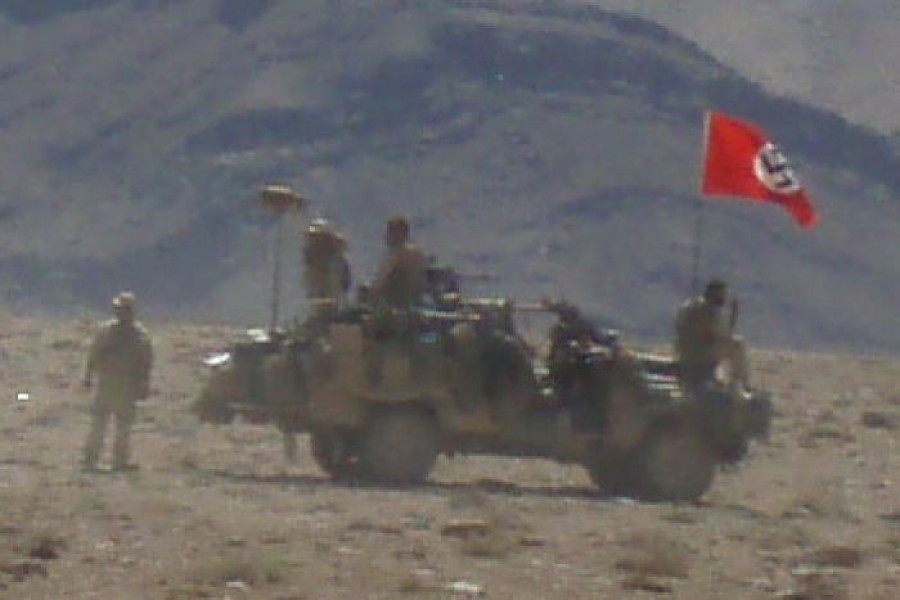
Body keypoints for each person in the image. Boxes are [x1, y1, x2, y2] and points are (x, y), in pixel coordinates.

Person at [82, 291, 154, 472]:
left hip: (127, 387)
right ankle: (90, 459)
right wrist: (88, 377)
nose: (121, 313)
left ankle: (119, 461)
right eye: (119, 309)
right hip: (106, 384)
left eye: (125, 309)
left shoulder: (140, 335)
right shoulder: (106, 331)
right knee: (99, 424)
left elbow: (146, 363)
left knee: (123, 427)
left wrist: (144, 385)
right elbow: (94, 354)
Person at [674, 278, 750, 393]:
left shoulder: (688, 305)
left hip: (683, 352)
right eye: (723, 294)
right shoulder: (709, 310)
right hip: (699, 354)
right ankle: (739, 383)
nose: (724, 298)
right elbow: (722, 334)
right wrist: (733, 318)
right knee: (736, 344)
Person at [369, 215, 428, 310]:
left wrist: (371, 293)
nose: (387, 235)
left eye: (390, 232)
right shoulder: (418, 252)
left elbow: (380, 280)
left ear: (399, 233)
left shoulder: (398, 252)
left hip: (396, 302)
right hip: (415, 298)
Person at [302, 218, 351, 316]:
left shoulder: (334, 262)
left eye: (316, 238)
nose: (312, 241)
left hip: (330, 313)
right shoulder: (314, 261)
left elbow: (334, 291)